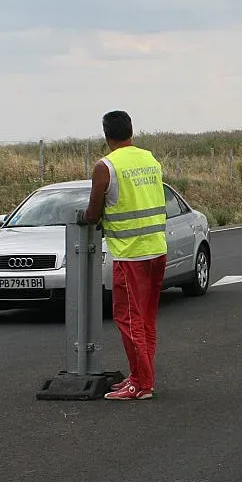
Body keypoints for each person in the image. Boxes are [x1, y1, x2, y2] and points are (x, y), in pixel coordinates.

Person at [83, 110, 167, 400]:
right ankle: (141, 375)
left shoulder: (106, 166)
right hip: (156, 249)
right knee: (145, 319)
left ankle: (142, 384)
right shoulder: (149, 159)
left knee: (129, 319)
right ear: (131, 130)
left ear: (105, 135)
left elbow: (93, 214)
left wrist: (85, 216)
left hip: (130, 254)